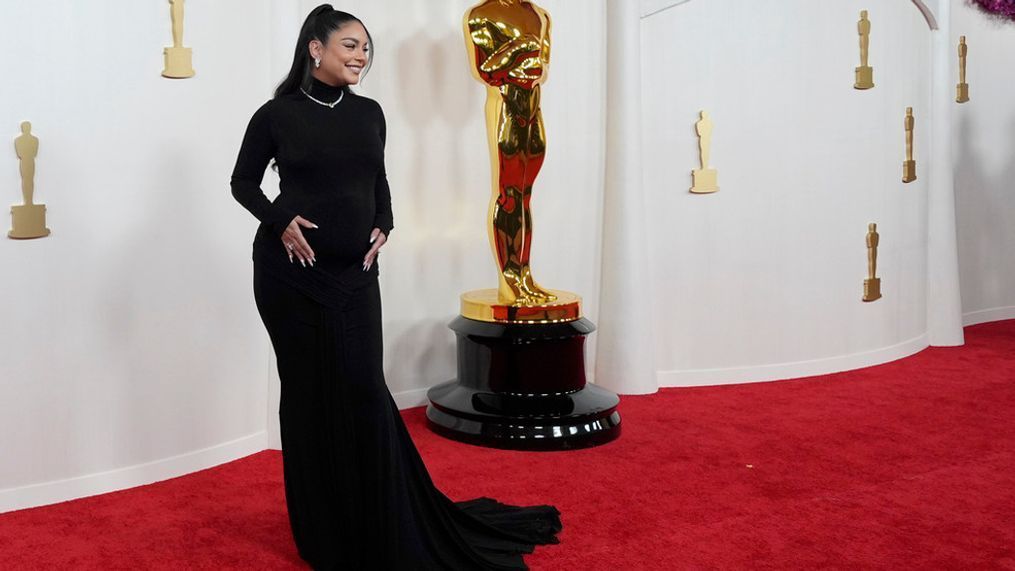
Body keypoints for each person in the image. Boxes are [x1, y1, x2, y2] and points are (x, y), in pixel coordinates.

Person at [230, 5, 562, 569]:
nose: (362, 56)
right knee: (309, 397)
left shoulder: (370, 114)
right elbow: (243, 183)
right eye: (350, 46)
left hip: (357, 275)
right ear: (315, 48)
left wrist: (386, 221)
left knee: (363, 390)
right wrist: (281, 218)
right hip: (292, 281)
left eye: (366, 49)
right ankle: (323, 529)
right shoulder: (275, 115)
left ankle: (380, 515)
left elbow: (376, 176)